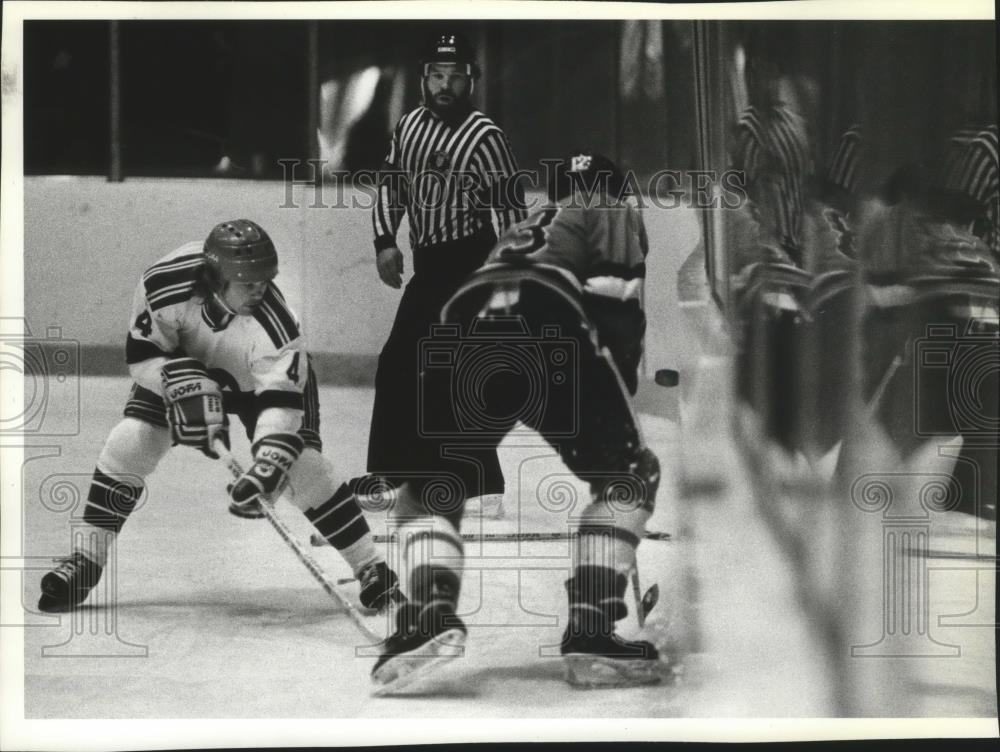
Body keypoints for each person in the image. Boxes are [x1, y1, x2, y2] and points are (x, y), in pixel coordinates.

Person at [370, 153, 663, 692]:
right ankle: (592, 631)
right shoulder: (609, 205)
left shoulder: (526, 224)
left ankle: (427, 617)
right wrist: (616, 403)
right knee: (631, 474)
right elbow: (616, 304)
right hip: (547, 320)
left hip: (460, 327)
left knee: (430, 485)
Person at [38, 220, 403, 614]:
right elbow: (143, 357)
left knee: (303, 468)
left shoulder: (278, 327)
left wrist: (269, 464)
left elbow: (280, 404)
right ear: (216, 278)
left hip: (258, 386)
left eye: (265, 280)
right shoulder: (163, 284)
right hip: (186, 366)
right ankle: (85, 560)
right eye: (248, 283)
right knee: (130, 442)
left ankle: (370, 567)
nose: (260, 290)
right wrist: (173, 380)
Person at [365, 30, 527, 517]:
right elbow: (391, 187)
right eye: (437, 75)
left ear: (471, 81)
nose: (445, 85)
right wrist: (384, 242)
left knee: (455, 370)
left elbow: (512, 211)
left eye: (456, 77)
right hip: (429, 265)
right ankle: (394, 474)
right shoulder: (409, 127)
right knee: (398, 362)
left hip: (472, 263)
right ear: (423, 78)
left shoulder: (485, 137)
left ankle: (479, 487)